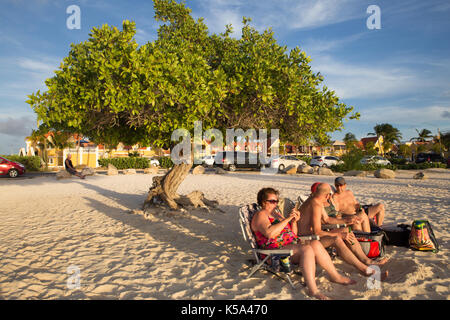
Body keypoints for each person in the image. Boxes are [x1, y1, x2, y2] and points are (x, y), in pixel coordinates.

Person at [251, 187, 356, 300]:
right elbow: (270, 233)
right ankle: (313, 290)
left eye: (276, 201)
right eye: (272, 201)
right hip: (273, 253)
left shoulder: (276, 214)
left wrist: (294, 221)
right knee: (306, 249)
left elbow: (293, 234)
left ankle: (335, 276)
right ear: (263, 202)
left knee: (315, 243)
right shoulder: (261, 215)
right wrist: (287, 219)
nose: (275, 204)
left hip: (289, 247)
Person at [298, 183, 388, 279]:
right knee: (337, 239)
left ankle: (367, 261)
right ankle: (365, 270)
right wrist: (339, 234)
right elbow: (317, 232)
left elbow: (327, 219)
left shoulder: (317, 201)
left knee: (346, 231)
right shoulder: (315, 204)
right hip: (306, 239)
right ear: (327, 195)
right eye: (330, 195)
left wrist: (347, 220)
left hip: (313, 236)